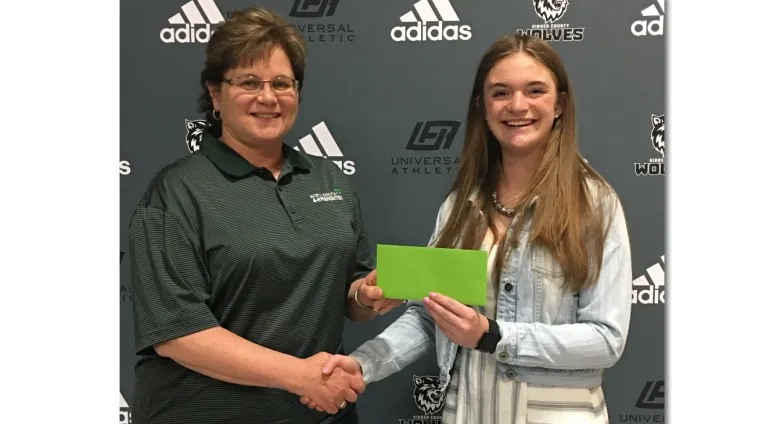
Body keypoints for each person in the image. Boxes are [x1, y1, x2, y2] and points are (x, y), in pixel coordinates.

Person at [304, 33, 633, 424]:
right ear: (482, 106)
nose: (517, 105)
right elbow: (429, 317)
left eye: (535, 90)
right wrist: (361, 366)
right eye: (500, 93)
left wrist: (492, 335)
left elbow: (605, 339)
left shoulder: (595, 205)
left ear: (560, 103)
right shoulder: (461, 205)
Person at [126, 7, 396, 424]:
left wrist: (367, 294)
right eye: (248, 82)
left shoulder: (328, 179)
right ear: (215, 94)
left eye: (282, 83)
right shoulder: (176, 192)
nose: (268, 97)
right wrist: (300, 376)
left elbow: (350, 293)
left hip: (319, 414)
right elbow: (177, 333)